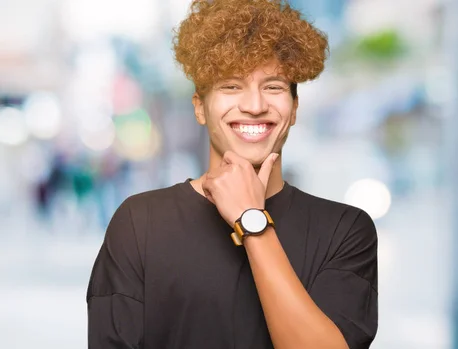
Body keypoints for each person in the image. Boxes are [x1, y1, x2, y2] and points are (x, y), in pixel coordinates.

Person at [86, 0, 378, 348]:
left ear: (295, 108)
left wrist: (251, 220)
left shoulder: (345, 231)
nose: (254, 105)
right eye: (231, 86)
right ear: (199, 107)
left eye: (273, 87)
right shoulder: (140, 223)